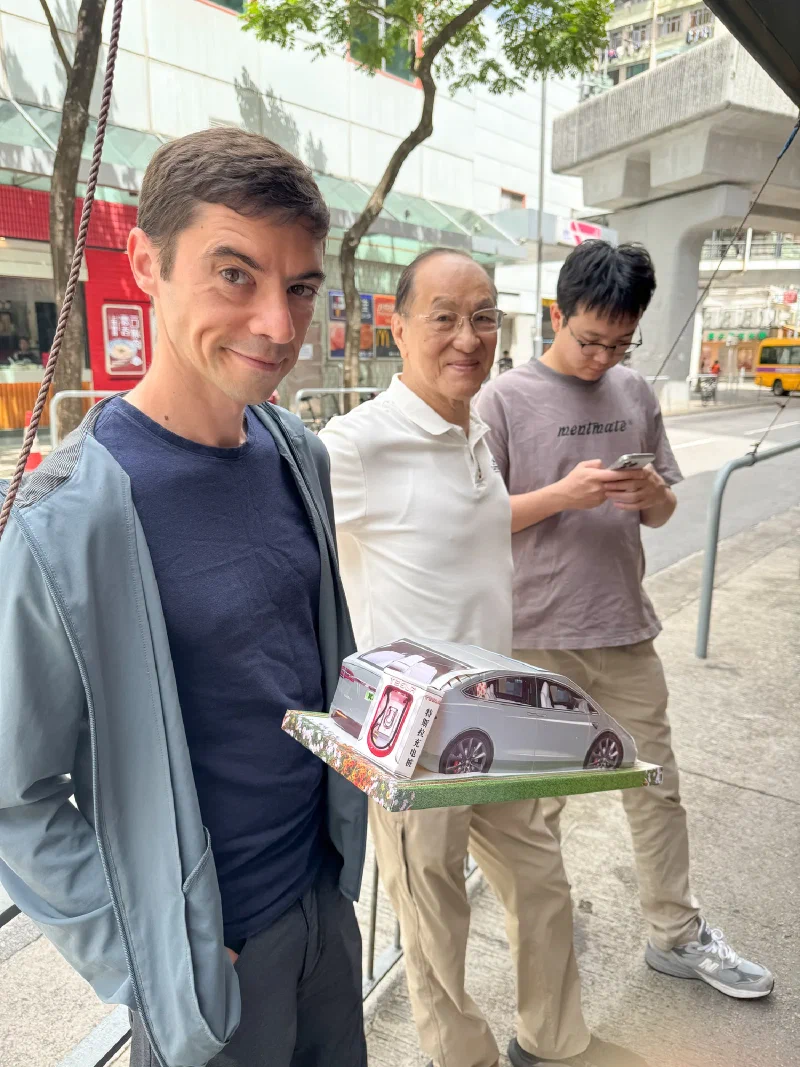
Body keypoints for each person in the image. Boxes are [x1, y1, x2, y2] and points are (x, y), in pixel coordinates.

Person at [0, 128, 367, 1067]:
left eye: (297, 287)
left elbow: (303, 666)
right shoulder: (62, 519)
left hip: (326, 908)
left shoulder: (299, 453)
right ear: (146, 263)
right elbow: (14, 794)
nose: (279, 327)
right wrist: (157, 956)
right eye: (234, 275)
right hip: (212, 968)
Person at [477, 240, 773, 1064]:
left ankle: (673, 932)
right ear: (558, 314)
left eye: (619, 344)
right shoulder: (503, 399)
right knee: (536, 812)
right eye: (589, 341)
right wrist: (561, 495)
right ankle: (546, 928)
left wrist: (652, 494)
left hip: (624, 626)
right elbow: (478, 518)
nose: (603, 357)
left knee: (658, 789)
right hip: (535, 636)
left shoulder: (636, 392)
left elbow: (666, 512)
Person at [321, 248, 591, 1067]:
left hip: (501, 720)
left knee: (543, 885)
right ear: (398, 326)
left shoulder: (473, 431)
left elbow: (466, 537)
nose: (467, 337)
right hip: (416, 740)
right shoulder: (357, 445)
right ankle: (462, 1058)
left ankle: (553, 1042)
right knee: (434, 925)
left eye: (483, 317)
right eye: (443, 316)